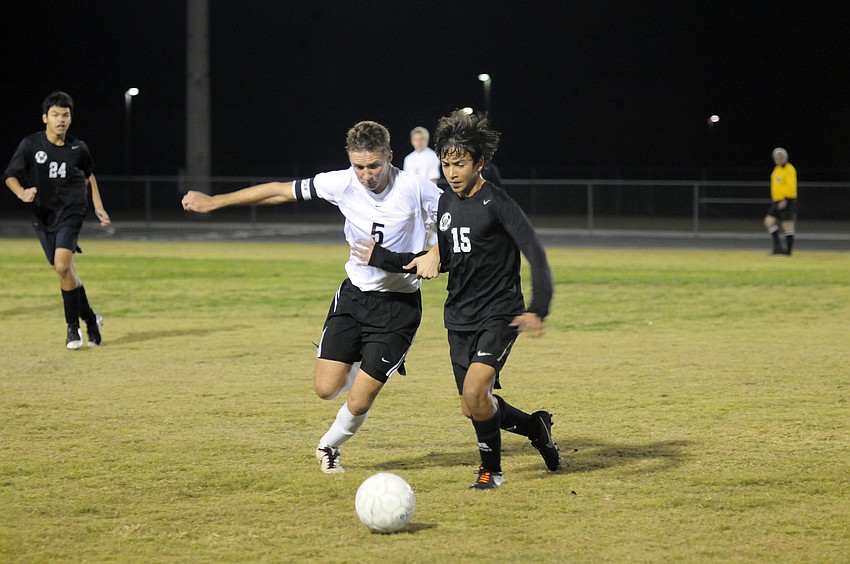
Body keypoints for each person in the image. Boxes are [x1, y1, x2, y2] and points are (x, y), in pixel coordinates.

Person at [181, 121, 441, 474]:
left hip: (398, 307)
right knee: (325, 389)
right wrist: (216, 202)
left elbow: (455, 220)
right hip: (353, 297)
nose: (366, 175)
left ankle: (329, 446)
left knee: (360, 398)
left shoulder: (416, 188)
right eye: (359, 166)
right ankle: (362, 360)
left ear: (390, 158)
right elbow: (279, 190)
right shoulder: (341, 182)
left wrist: (435, 252)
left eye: (374, 166)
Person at [355, 110, 560, 490]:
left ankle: (491, 471)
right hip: (459, 318)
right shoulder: (446, 204)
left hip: (499, 314)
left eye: (460, 164)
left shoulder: (498, 203)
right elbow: (444, 259)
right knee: (474, 407)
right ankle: (535, 427)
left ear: (479, 163)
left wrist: (538, 308)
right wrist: (382, 257)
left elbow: (535, 250)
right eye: (446, 164)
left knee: (475, 392)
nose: (451, 172)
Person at [4, 91, 111, 349]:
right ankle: (90, 319)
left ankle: (72, 329)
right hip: (43, 216)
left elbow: (89, 175)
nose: (60, 120)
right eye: (55, 115)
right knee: (65, 272)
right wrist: (22, 193)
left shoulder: (78, 148)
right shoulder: (31, 145)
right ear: (45, 118)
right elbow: (11, 175)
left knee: (63, 267)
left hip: (72, 212)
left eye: (65, 115)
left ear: (70, 119)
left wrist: (98, 206)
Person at [764, 147, 797, 255]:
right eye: (776, 158)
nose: (777, 160)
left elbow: (791, 186)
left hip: (786, 200)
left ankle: (788, 251)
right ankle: (778, 247)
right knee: (769, 221)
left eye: (780, 158)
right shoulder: (777, 169)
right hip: (777, 201)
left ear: (784, 158)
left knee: (787, 225)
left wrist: (785, 199)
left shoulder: (789, 169)